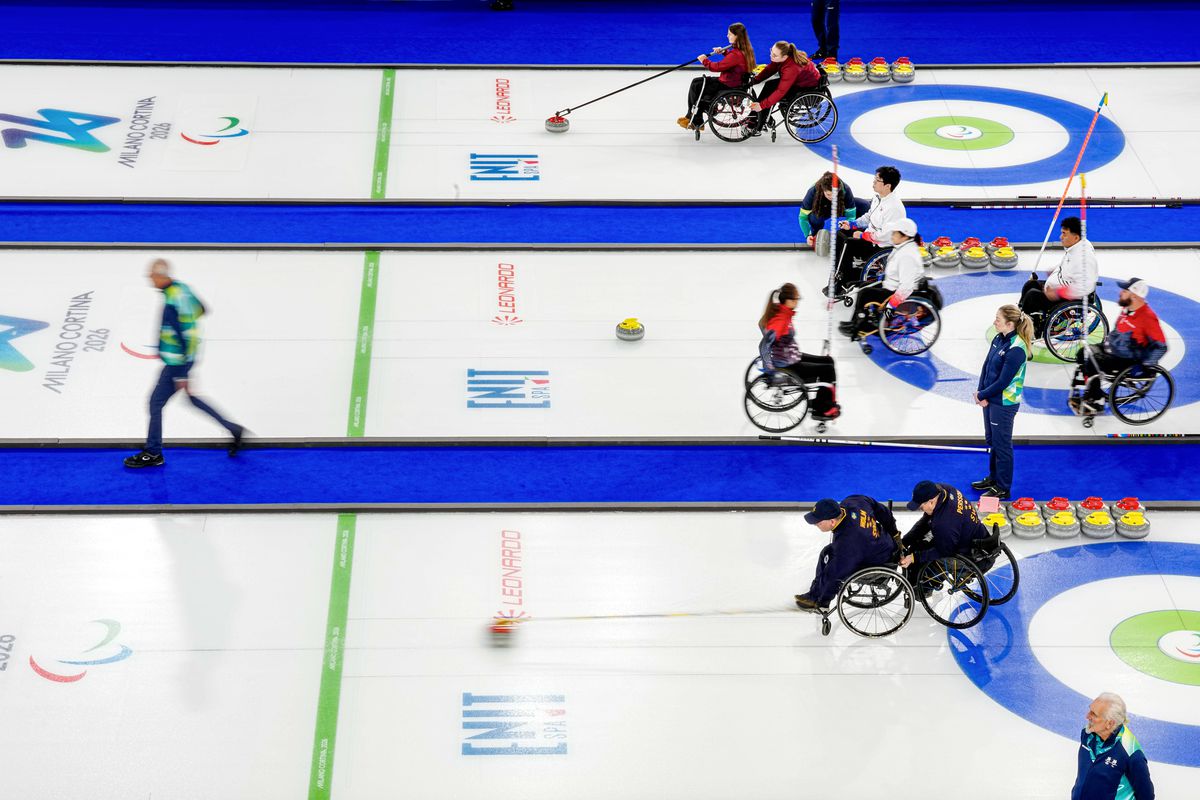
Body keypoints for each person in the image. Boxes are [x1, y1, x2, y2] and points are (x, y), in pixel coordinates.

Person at [124, 259, 245, 468]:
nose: (149, 279)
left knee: (156, 403)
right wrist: (190, 322)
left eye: (152, 275)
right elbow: (203, 309)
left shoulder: (171, 302)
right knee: (190, 399)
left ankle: (153, 452)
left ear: (161, 276)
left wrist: (181, 373)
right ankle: (233, 429)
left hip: (177, 362)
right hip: (187, 357)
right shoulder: (182, 288)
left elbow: (181, 337)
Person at [1070, 277, 1168, 416]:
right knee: (1082, 353)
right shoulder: (1127, 309)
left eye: (1124, 290)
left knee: (1093, 360)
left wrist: (1146, 365)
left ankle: (1096, 400)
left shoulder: (1148, 318)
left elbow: (1161, 346)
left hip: (1127, 360)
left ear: (1134, 295)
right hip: (1112, 350)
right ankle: (1090, 389)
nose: (1120, 292)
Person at [794, 495, 899, 611]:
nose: (815, 525)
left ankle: (819, 601)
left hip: (879, 558)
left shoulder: (848, 543)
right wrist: (894, 533)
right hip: (883, 541)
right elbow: (883, 511)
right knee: (826, 553)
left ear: (832, 521)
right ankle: (813, 594)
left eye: (818, 523)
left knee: (833, 566)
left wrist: (824, 599)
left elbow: (834, 575)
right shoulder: (855, 501)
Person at [972, 305, 1033, 500]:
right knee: (992, 441)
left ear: (1010, 323)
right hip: (990, 398)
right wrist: (981, 392)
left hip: (1004, 403)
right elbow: (986, 366)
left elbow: (1003, 381)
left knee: (1002, 445)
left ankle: (1003, 487)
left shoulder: (1017, 349)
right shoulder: (999, 338)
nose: (994, 322)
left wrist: (983, 395)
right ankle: (994, 478)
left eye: (997, 319)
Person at [758, 283, 840, 419]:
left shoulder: (783, 312)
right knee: (827, 370)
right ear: (789, 301)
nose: (798, 302)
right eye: (796, 299)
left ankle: (823, 402)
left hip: (791, 356)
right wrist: (770, 370)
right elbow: (764, 346)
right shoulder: (781, 320)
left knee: (828, 361)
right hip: (788, 364)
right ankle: (822, 409)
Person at [841, 218, 923, 338]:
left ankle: (859, 327)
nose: (892, 235)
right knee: (863, 286)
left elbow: (906, 287)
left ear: (904, 236)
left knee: (865, 293)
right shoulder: (902, 246)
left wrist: (891, 306)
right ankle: (855, 322)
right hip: (890, 284)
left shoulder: (907, 256)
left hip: (894, 292)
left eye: (895, 233)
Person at [1019, 216, 1098, 336]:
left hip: (1067, 298)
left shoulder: (1084, 258)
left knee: (1032, 296)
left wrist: (1058, 293)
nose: (1061, 237)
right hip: (1058, 286)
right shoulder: (1075, 248)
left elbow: (1085, 287)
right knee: (1030, 284)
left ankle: (1031, 328)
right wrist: (1054, 271)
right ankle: (1022, 315)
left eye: (1064, 234)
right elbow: (1067, 266)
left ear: (1076, 237)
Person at [831, 166, 905, 294]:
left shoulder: (894, 207)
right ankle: (839, 272)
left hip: (880, 245)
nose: (873, 182)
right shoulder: (878, 198)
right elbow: (868, 217)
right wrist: (852, 224)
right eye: (874, 179)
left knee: (848, 244)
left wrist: (863, 235)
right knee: (840, 234)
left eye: (877, 180)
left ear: (888, 186)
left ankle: (845, 280)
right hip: (871, 237)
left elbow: (885, 236)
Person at [1072, 692, 1155, 800]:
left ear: (1110, 723)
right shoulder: (1087, 733)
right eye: (1090, 710)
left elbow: (1146, 795)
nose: (1087, 716)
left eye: (1094, 714)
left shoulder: (1131, 753)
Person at [899, 481, 989, 578]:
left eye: (921, 507)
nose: (921, 510)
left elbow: (944, 551)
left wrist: (914, 558)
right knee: (919, 543)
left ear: (931, 501)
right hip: (975, 533)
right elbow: (925, 522)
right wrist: (905, 541)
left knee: (926, 561)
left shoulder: (944, 522)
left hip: (972, 553)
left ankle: (924, 590)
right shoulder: (943, 489)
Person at [679, 23, 756, 130]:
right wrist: (725, 52)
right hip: (733, 81)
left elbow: (718, 67)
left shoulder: (736, 54)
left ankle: (694, 118)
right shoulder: (744, 50)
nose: (727, 36)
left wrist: (704, 61)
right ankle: (694, 117)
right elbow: (734, 62)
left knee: (696, 86)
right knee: (697, 82)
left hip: (727, 84)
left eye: (729, 34)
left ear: (737, 36)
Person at [747, 41, 821, 133]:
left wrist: (761, 106)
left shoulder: (791, 68)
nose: (771, 56)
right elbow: (769, 70)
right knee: (769, 85)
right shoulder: (783, 58)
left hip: (806, 88)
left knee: (771, 91)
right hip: (799, 81)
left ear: (784, 57)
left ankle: (757, 123)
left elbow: (780, 92)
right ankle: (757, 117)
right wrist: (755, 80)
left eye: (775, 55)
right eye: (771, 52)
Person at [798, 171, 870, 249]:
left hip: (839, 207)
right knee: (814, 217)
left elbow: (851, 215)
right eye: (828, 194)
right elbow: (802, 218)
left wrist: (849, 225)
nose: (832, 197)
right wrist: (808, 235)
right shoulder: (812, 192)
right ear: (823, 190)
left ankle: (855, 237)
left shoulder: (845, 189)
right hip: (822, 209)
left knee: (864, 205)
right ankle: (815, 235)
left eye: (835, 193)